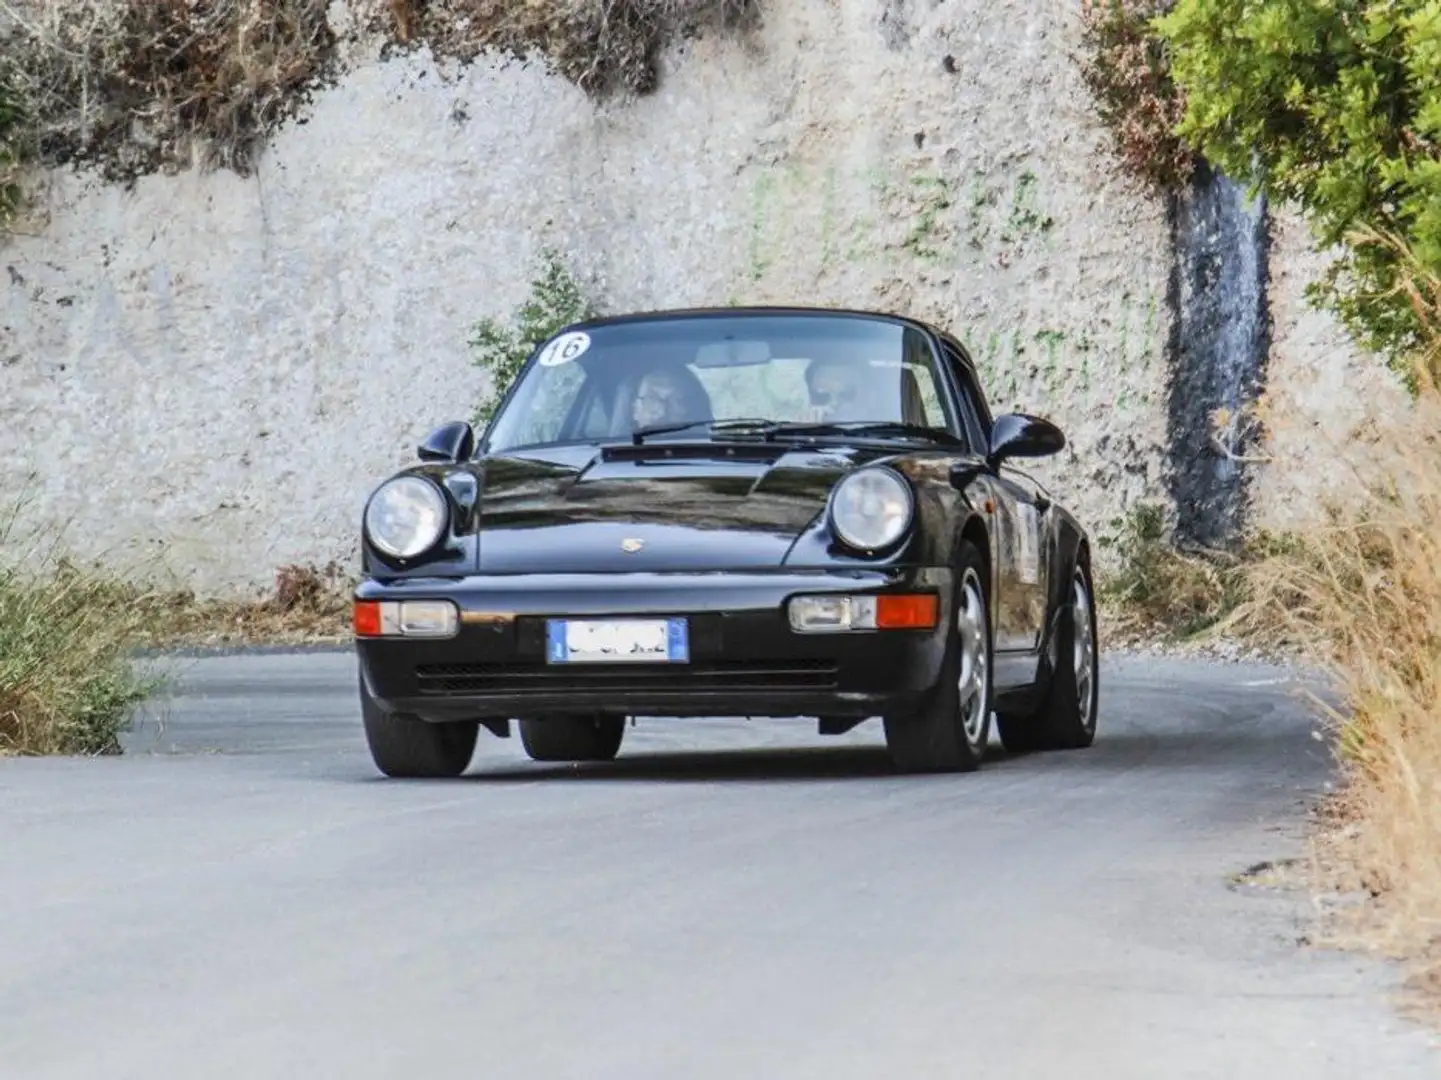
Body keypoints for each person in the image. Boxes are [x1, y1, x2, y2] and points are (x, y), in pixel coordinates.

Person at [630, 365, 713, 429]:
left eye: (675, 400)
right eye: (651, 399)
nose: (662, 412)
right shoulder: (622, 444)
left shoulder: (710, 444)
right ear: (635, 409)